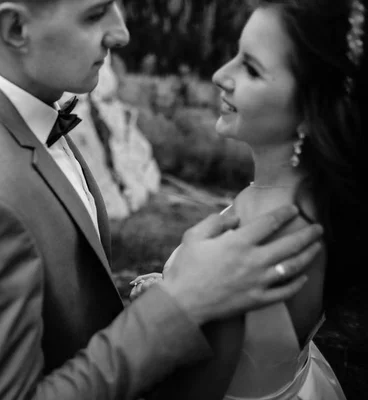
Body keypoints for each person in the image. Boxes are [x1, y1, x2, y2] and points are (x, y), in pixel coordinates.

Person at [0, 0, 325, 398]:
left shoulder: (23, 109)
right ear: (16, 30)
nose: (122, 32)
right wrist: (178, 304)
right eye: (95, 12)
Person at [131, 0, 364, 398]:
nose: (221, 75)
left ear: (311, 107)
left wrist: (167, 312)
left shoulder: (262, 238)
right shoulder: (310, 198)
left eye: (252, 68)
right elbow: (261, 336)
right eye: (236, 55)